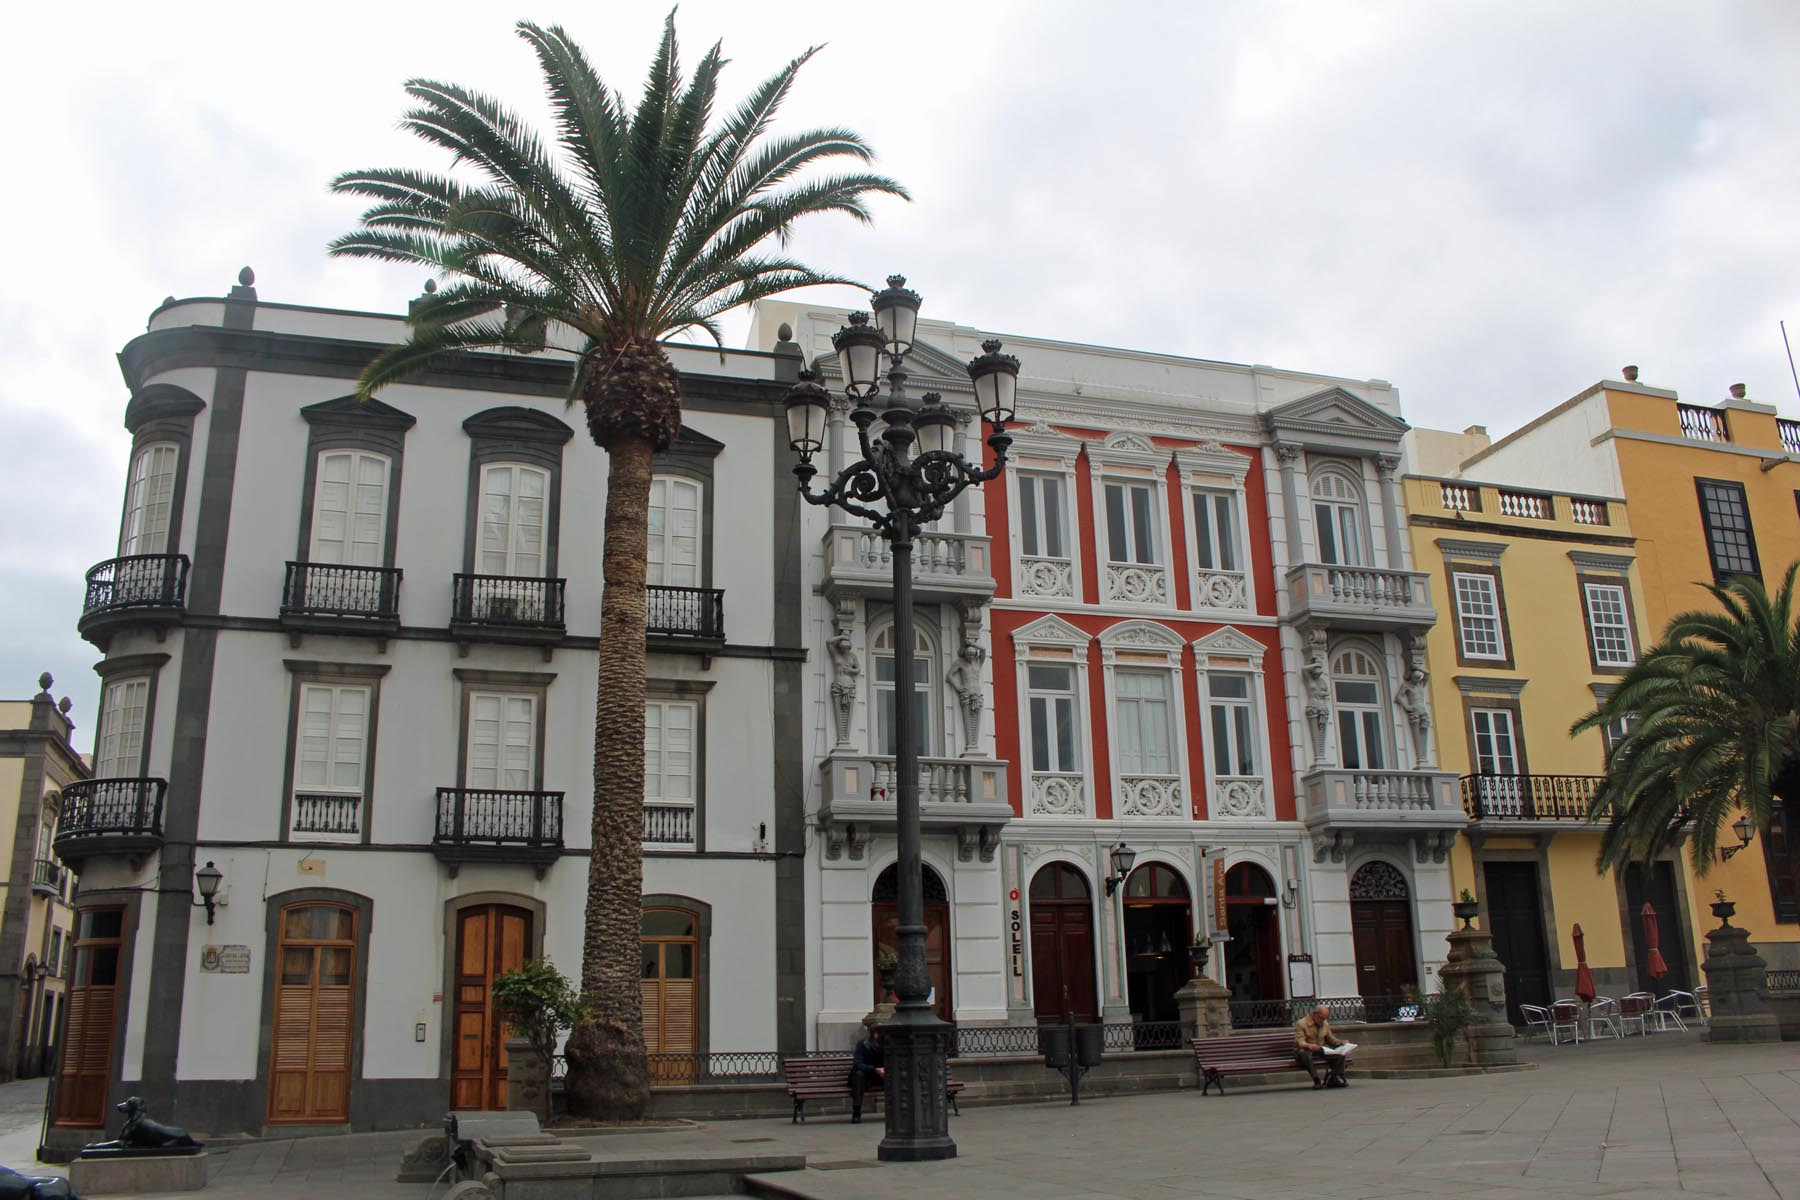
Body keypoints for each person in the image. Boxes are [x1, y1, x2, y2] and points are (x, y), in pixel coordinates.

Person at [1294, 1004, 1350, 1089]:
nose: (1323, 1021)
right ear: (1315, 1014)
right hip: (1305, 1050)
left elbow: (1331, 1040)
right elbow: (1300, 1042)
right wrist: (1309, 1045)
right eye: (1322, 1018)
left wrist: (1342, 1043)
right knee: (1303, 1053)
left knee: (1340, 1055)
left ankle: (1333, 1078)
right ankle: (1316, 1079)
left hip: (1320, 1049)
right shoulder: (1301, 1024)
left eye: (1325, 1018)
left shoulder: (1325, 1024)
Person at [848, 1025, 884, 1123]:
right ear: (874, 1034)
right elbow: (857, 1064)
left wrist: (884, 1070)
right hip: (866, 1076)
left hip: (880, 1076)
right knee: (859, 1075)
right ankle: (856, 1112)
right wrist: (874, 1069)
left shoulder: (887, 1044)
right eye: (878, 1033)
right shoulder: (863, 1044)